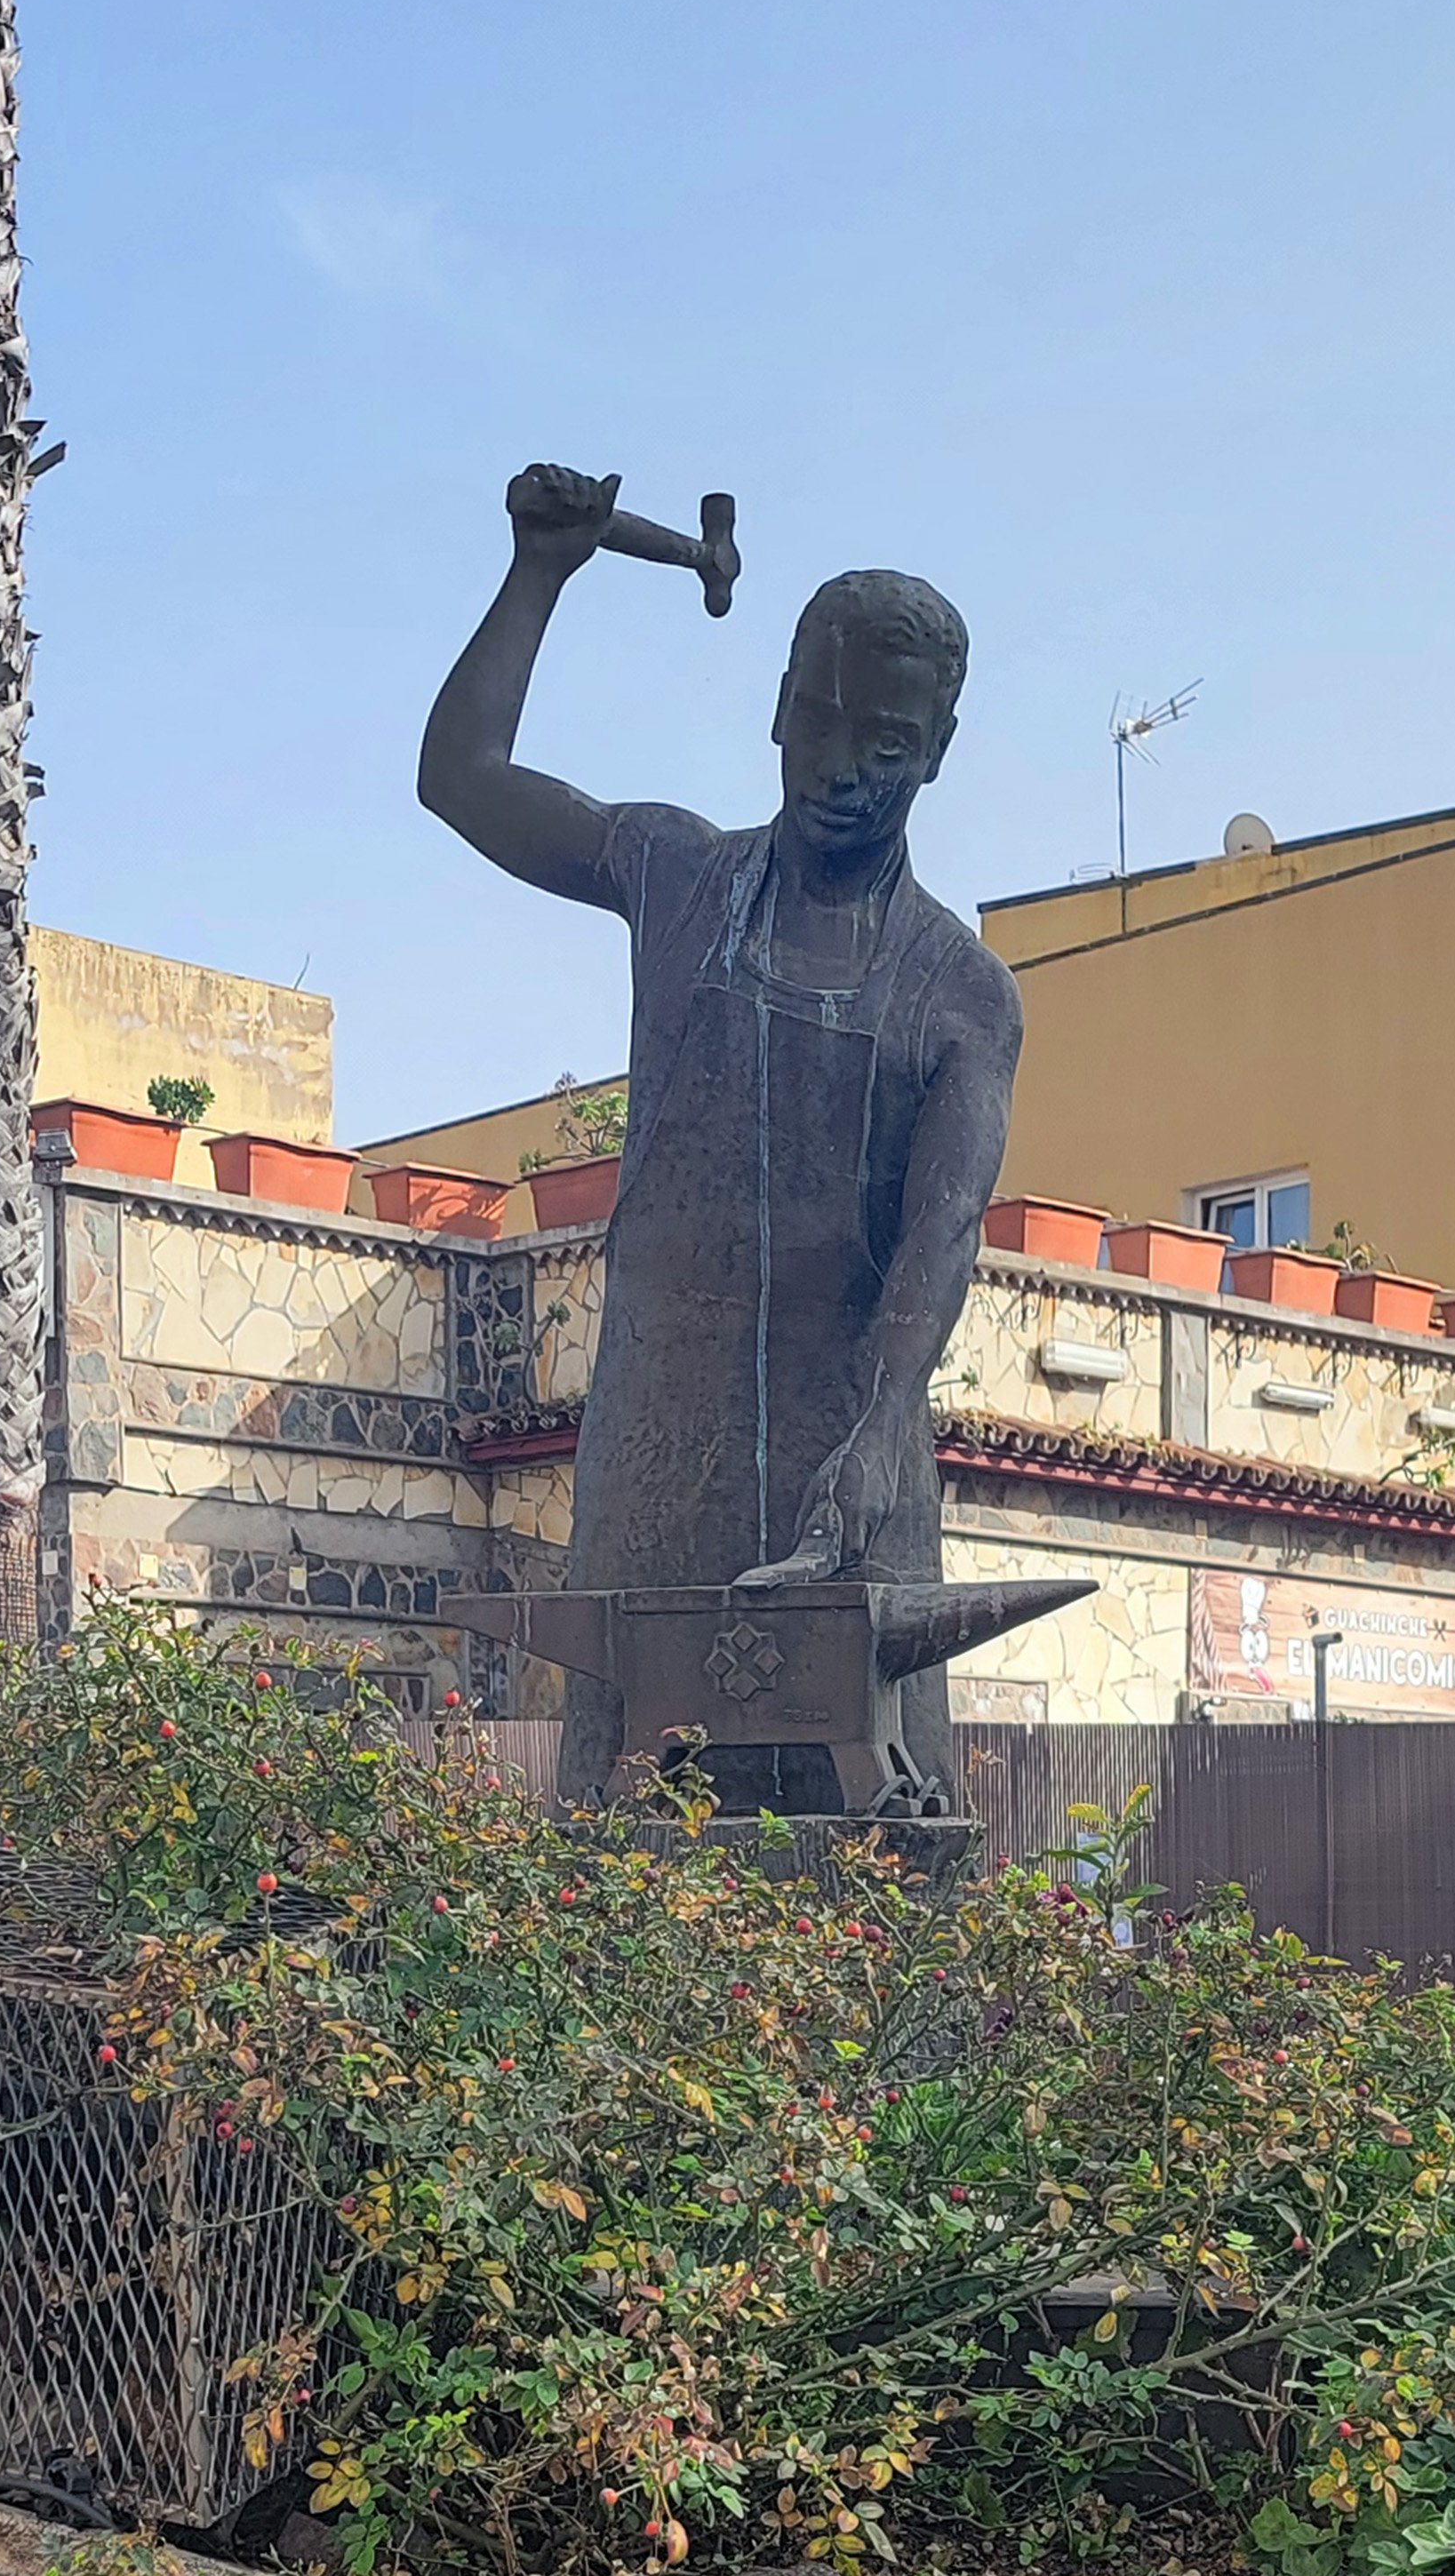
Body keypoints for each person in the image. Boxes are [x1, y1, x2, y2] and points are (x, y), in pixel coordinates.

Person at [419, 463, 1021, 1807]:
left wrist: (877, 1431)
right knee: (622, 1858)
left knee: (873, 1862)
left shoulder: (960, 995)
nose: (848, 769)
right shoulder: (677, 876)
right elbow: (460, 777)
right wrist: (540, 573)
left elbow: (944, 1236)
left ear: (938, 748)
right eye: (824, 722)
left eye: (888, 740)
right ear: (777, 712)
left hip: (847, 1483)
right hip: (654, 1463)